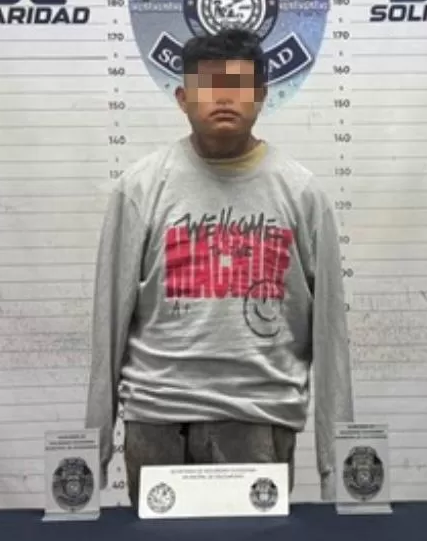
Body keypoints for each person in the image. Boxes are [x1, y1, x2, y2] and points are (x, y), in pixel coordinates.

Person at [85, 27, 354, 505]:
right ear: (183, 98)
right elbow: (108, 324)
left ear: (262, 96)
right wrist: (92, 452)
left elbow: (330, 333)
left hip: (258, 423)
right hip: (158, 423)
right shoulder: (141, 188)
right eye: (209, 86)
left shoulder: (301, 194)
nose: (224, 99)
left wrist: (339, 463)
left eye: (240, 86)